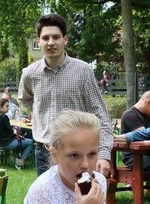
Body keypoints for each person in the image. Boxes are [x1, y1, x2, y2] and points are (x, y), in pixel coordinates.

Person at [19, 13, 113, 177]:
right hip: (45, 151)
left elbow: (100, 113)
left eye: (56, 37)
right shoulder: (30, 74)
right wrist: (39, 113)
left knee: (84, 199)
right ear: (38, 41)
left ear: (65, 39)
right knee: (47, 201)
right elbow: (25, 99)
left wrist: (104, 154)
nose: (51, 42)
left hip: (79, 152)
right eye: (45, 38)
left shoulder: (83, 71)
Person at [0, 97, 35, 169]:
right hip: (6, 143)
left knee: (23, 140)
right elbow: (10, 132)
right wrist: (14, 131)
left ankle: (17, 157)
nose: (8, 109)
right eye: (6, 106)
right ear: (0, 107)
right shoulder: (3, 117)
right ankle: (21, 161)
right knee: (30, 142)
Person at [119, 90, 150, 173]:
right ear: (148, 102)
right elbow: (144, 136)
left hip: (148, 153)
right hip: (134, 156)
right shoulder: (130, 115)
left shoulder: (148, 114)